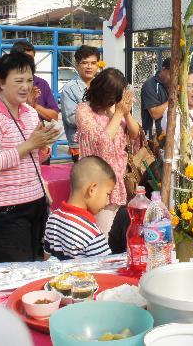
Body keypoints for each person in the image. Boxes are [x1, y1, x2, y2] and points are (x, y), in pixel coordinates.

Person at [0, 51, 59, 262]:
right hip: (8, 209)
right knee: (19, 270)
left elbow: (34, 158)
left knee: (35, 263)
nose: (26, 86)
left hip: (36, 201)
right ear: (1, 82)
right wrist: (30, 144)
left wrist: (43, 147)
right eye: (19, 80)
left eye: (29, 80)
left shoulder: (30, 113)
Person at [76, 68, 141, 233]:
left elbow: (134, 134)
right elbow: (103, 142)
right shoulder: (84, 110)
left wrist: (125, 113)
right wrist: (118, 113)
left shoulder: (114, 109)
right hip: (96, 184)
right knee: (104, 236)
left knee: (120, 235)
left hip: (118, 182)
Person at [42, 156, 115, 260]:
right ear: (92, 189)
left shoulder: (53, 218)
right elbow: (105, 271)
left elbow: (47, 258)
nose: (107, 201)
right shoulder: (92, 234)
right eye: (107, 194)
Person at [160, 68, 193, 170]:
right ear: (179, 89)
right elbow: (177, 144)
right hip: (188, 175)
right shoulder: (173, 112)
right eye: (190, 86)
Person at [60, 45, 100, 162]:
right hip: (80, 145)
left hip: (102, 141)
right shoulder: (69, 89)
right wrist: (98, 113)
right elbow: (72, 119)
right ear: (77, 65)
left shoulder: (102, 85)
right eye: (85, 63)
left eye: (93, 63)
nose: (89, 67)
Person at [10, 40, 60, 122]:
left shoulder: (42, 84)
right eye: (25, 59)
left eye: (31, 59)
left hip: (38, 133)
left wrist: (34, 105)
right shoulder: (6, 86)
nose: (29, 63)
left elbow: (54, 116)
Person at [140, 58, 171, 140]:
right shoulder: (149, 85)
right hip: (154, 139)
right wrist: (174, 99)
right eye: (172, 74)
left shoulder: (176, 85)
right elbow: (155, 114)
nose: (174, 79)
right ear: (163, 69)